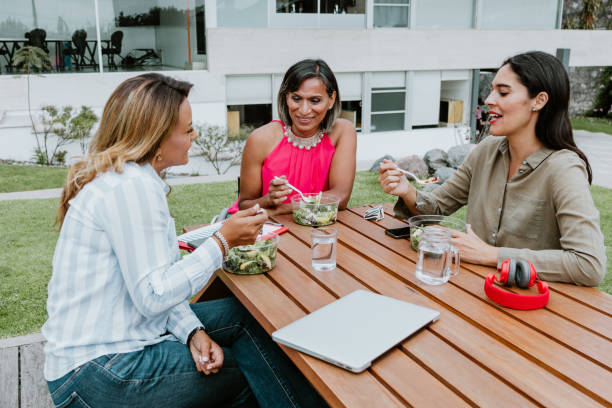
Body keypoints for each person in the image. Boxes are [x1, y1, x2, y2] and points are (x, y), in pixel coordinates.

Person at [43, 73, 327, 408]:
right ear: (159, 139)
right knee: (255, 371)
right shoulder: (130, 188)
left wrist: (192, 332)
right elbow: (153, 295)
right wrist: (223, 242)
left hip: (113, 349)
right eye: (187, 129)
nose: (194, 135)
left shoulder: (128, 179)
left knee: (247, 320)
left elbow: (155, 283)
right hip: (95, 374)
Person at [378, 51, 606, 286]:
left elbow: (589, 264)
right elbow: (436, 207)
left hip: (532, 307)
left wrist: (492, 255)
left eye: (503, 92)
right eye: (492, 90)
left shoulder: (563, 169)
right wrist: (406, 190)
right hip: (475, 290)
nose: (488, 99)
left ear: (539, 100)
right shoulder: (486, 150)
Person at [231, 59, 356, 215]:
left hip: (315, 228)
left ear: (331, 100)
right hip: (267, 231)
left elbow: (340, 198)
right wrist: (268, 200)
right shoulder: (260, 139)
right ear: (286, 97)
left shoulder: (343, 131)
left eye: (315, 100)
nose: (304, 110)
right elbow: (244, 205)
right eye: (296, 98)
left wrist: (281, 208)